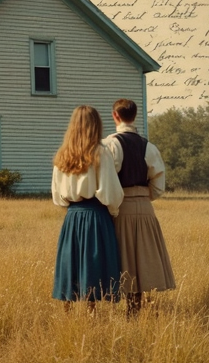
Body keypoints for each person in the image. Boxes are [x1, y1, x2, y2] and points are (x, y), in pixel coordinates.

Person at [103, 98, 176, 317]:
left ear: (115, 115)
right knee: (143, 260)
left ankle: (130, 312)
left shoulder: (109, 144)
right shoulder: (149, 147)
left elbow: (107, 180)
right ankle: (137, 309)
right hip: (145, 207)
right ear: (134, 116)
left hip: (120, 206)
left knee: (124, 260)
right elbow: (158, 185)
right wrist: (143, 197)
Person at [51, 105, 124, 313]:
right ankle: (91, 317)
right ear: (96, 125)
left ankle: (68, 315)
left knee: (70, 263)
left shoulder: (62, 155)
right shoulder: (101, 153)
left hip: (72, 216)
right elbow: (111, 193)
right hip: (95, 215)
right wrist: (113, 213)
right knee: (93, 266)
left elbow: (58, 196)